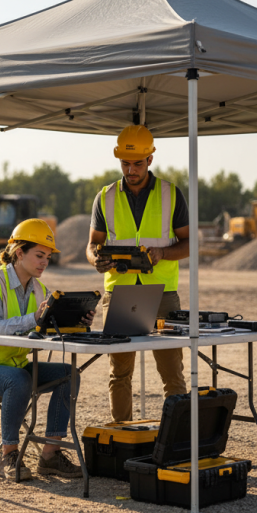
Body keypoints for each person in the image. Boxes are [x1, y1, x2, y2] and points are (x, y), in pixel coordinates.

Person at [0, 219, 89, 481]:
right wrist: (33, 318)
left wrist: (76, 320)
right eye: (39, 255)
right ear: (19, 253)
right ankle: (9, 456)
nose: (44, 262)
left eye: (48, 257)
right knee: (19, 380)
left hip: (13, 365)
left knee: (69, 374)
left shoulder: (40, 290)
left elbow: (46, 328)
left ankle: (50, 455)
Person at [85, 124, 189, 422]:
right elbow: (92, 245)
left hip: (162, 293)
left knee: (172, 373)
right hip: (120, 292)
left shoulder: (171, 194)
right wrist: (95, 259)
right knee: (120, 373)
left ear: (150, 159)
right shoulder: (105, 197)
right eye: (125, 164)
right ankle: (122, 435)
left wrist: (162, 254)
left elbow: (189, 244)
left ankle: (176, 438)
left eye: (137, 164)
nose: (131, 170)